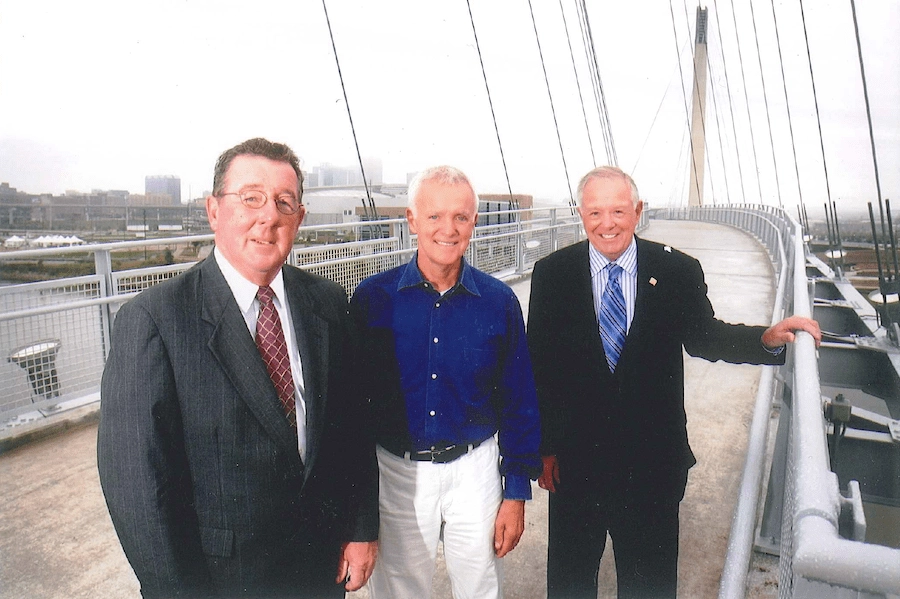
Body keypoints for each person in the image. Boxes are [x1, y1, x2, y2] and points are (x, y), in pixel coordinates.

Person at [97, 138, 378, 598]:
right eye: (250, 198)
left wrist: (362, 527)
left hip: (317, 567)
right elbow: (138, 491)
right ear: (213, 211)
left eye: (283, 202)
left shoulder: (326, 303)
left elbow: (351, 429)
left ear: (299, 219)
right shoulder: (154, 321)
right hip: (221, 580)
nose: (268, 216)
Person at [527, 166, 821, 599]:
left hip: (651, 468)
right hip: (576, 468)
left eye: (618, 211)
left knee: (651, 588)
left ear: (638, 210)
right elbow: (541, 367)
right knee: (569, 586)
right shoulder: (552, 274)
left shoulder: (678, 271)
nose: (607, 224)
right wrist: (545, 448)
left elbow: (706, 337)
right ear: (579, 214)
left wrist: (766, 339)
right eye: (595, 213)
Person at [349, 166, 542, 599]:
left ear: (474, 222)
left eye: (461, 217)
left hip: (474, 469)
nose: (448, 229)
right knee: (399, 592)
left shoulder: (499, 302)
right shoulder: (372, 299)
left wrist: (515, 492)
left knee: (480, 588)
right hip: (397, 471)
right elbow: (352, 409)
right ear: (412, 220)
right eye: (434, 216)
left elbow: (519, 400)